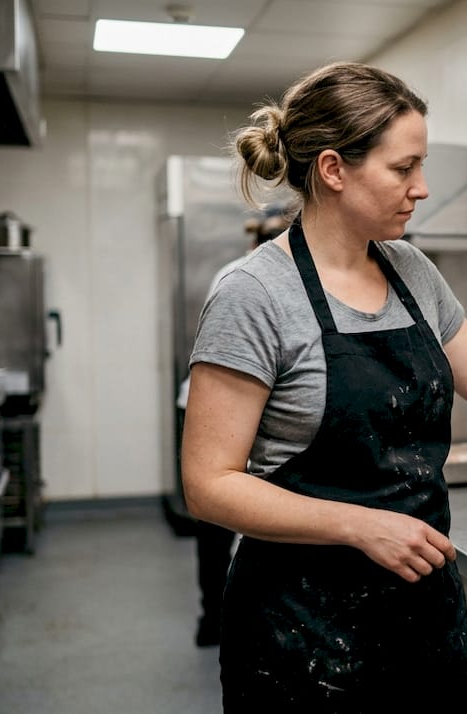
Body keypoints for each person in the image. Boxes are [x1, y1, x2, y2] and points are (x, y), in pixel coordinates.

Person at [180, 61, 467, 712]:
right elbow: (209, 485)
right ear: (334, 169)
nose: (422, 188)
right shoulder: (253, 295)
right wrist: (359, 526)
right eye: (404, 169)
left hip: (422, 617)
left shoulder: (411, 271)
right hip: (300, 630)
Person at [178, 208, 294, 647]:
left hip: (249, 413)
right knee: (216, 521)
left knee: (221, 531)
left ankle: (214, 616)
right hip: (216, 414)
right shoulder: (243, 279)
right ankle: (214, 615)